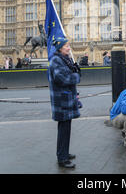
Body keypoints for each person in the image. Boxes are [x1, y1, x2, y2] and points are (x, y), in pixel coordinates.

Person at [48, 37, 82, 168]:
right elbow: (62, 79)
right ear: (60, 48)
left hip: (66, 99)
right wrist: (76, 76)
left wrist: (75, 69)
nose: (69, 48)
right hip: (62, 100)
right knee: (63, 130)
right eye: (66, 46)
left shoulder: (64, 59)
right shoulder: (56, 60)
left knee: (66, 129)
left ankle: (64, 153)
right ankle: (62, 158)